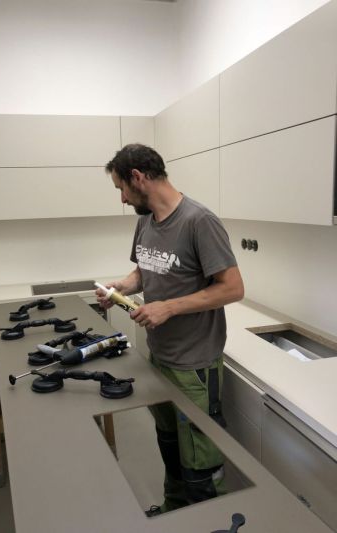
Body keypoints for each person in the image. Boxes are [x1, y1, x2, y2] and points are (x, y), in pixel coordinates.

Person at [96, 143, 244, 516]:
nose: (122, 199)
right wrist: (121, 287)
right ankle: (174, 512)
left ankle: (209, 520)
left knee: (200, 463)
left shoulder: (199, 221)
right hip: (159, 358)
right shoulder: (145, 221)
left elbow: (232, 288)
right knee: (170, 446)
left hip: (195, 365)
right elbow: (144, 271)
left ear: (137, 177)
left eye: (121, 188)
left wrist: (169, 307)